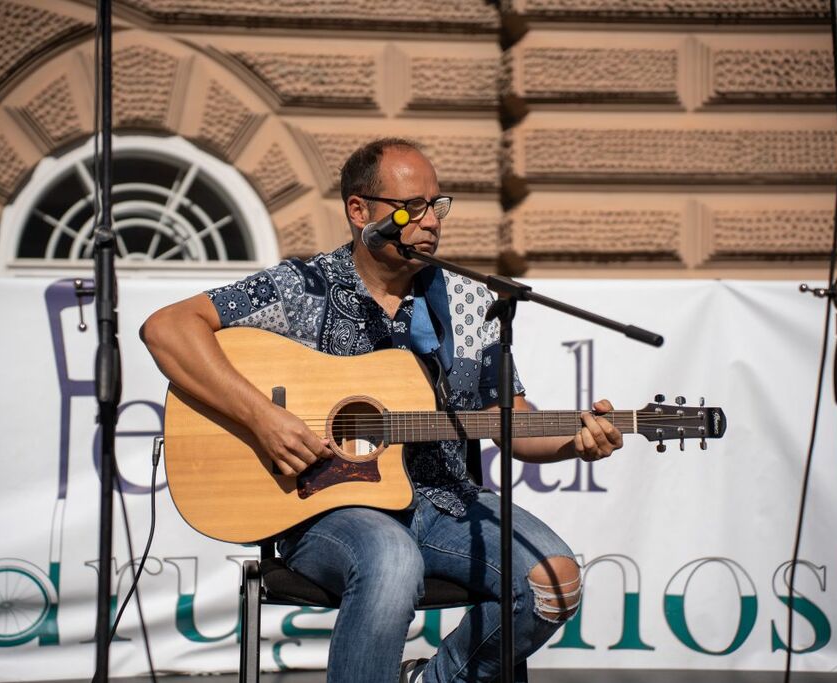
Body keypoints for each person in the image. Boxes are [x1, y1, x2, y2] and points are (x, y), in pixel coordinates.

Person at [141, 138, 624, 682]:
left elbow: (510, 421)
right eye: (411, 207)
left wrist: (576, 441)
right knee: (393, 559)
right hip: (324, 511)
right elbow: (167, 328)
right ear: (359, 210)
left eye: (436, 206)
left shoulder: (468, 302)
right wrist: (263, 418)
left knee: (554, 582)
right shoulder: (302, 287)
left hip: (445, 503)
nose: (430, 221)